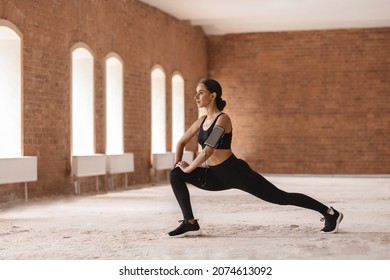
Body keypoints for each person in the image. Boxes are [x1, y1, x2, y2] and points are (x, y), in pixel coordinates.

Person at [168, 79, 343, 237]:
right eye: (196, 92)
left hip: (235, 172)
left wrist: (189, 168)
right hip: (214, 175)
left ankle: (330, 213)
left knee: (281, 197)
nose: (196, 97)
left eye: (200, 92)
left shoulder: (223, 120)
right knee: (176, 174)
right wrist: (179, 164)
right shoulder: (202, 120)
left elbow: (208, 151)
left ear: (212, 95)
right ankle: (190, 223)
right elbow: (181, 143)